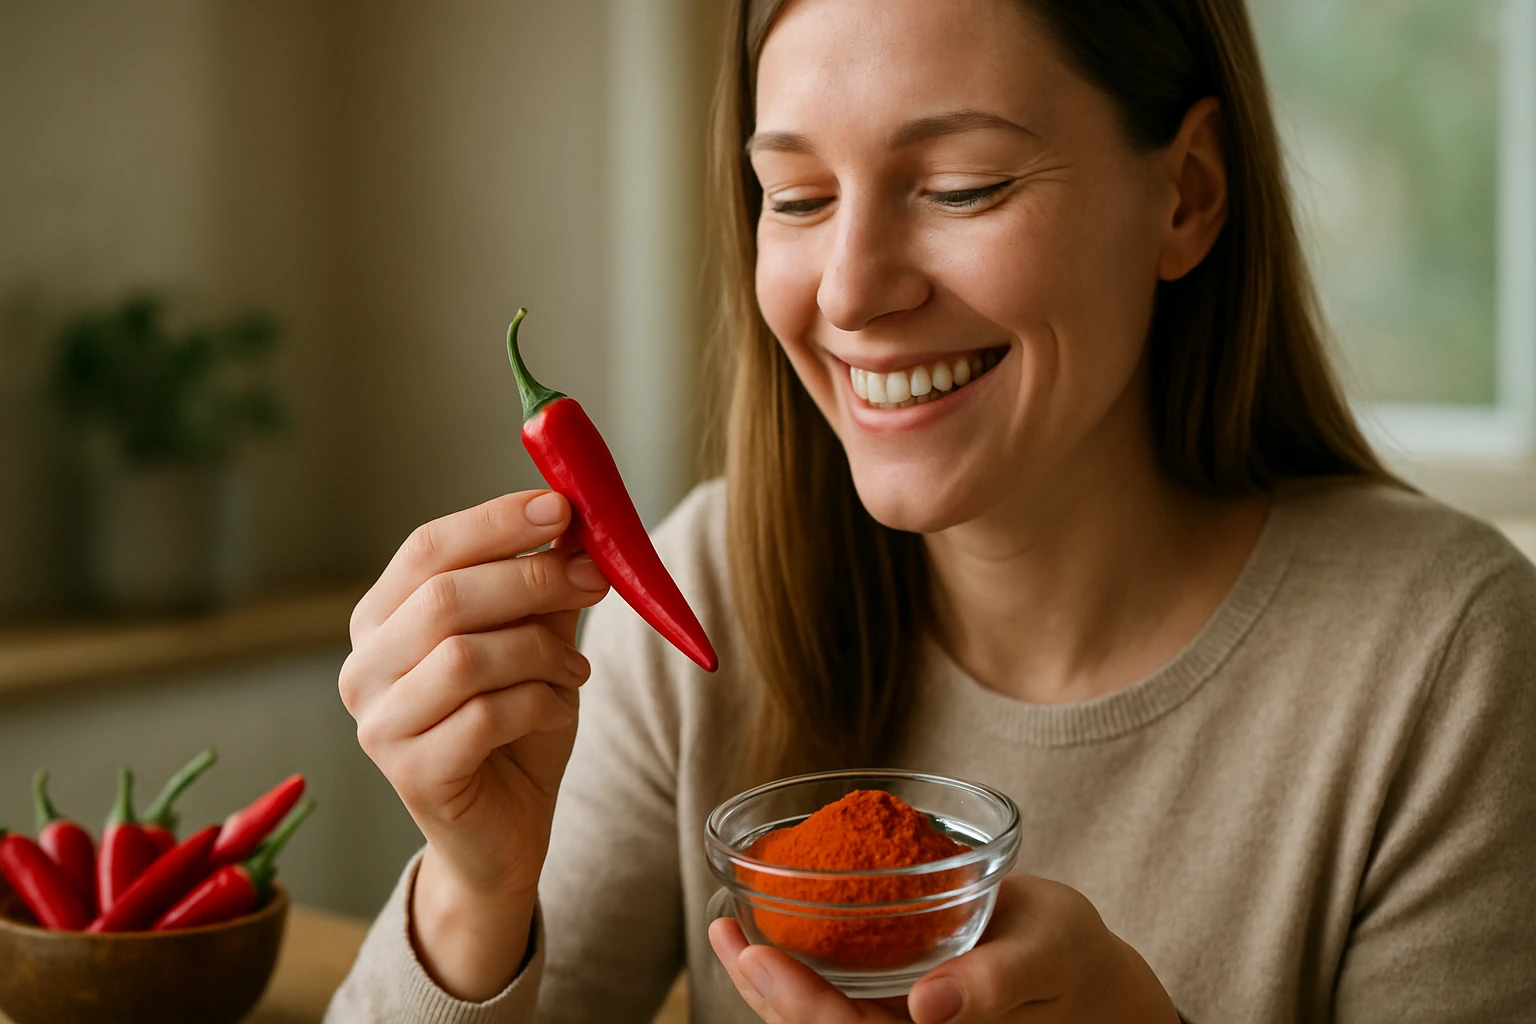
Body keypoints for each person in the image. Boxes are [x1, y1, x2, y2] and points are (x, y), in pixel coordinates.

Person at [327, 0, 1536, 1021]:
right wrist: (472, 891)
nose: (849, 292)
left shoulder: (1443, 662)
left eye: (962, 187)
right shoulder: (707, 591)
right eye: (794, 198)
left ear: (1187, 195)